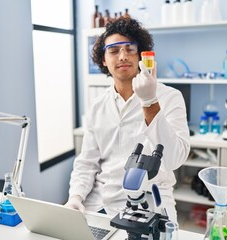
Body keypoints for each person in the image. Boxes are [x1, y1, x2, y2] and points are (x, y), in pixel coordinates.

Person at [65, 17, 190, 224]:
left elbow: (175, 158)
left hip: (152, 205)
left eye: (129, 49)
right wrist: (75, 197)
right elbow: (87, 163)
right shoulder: (98, 106)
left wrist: (150, 101)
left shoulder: (170, 97)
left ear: (141, 54)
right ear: (103, 60)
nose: (122, 56)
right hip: (101, 205)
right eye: (114, 51)